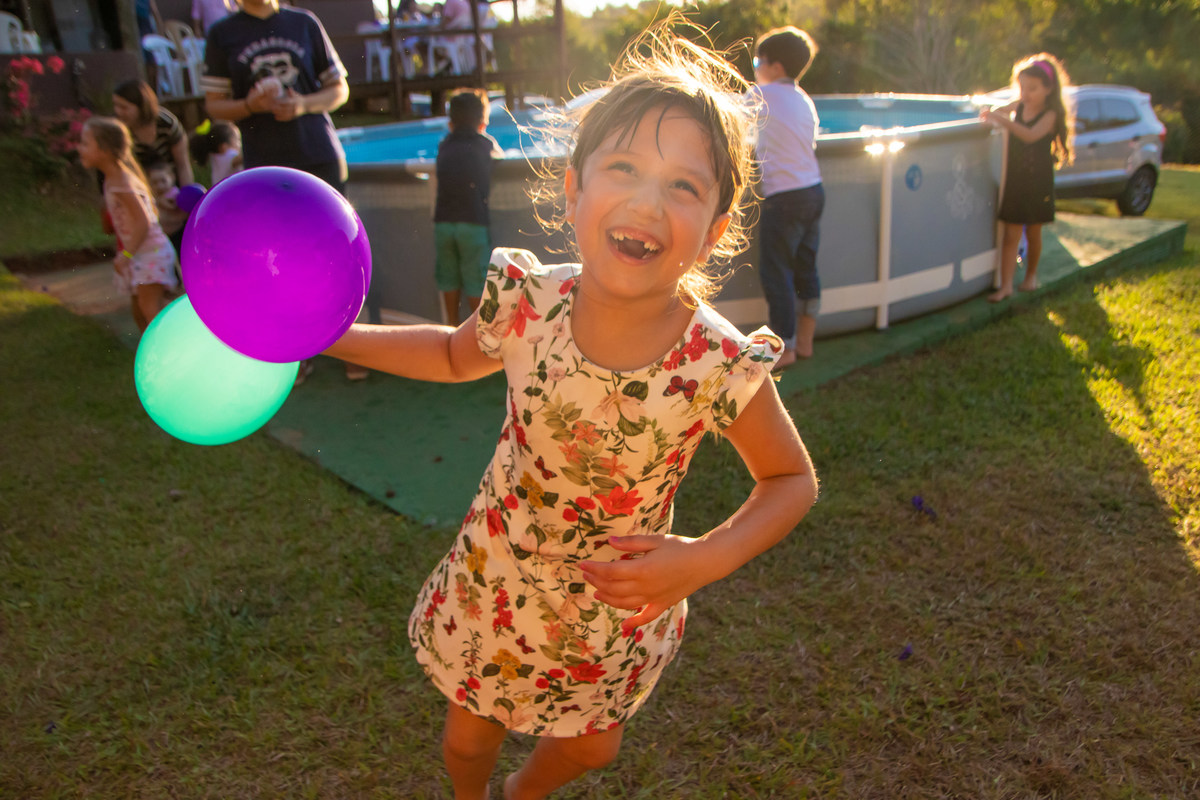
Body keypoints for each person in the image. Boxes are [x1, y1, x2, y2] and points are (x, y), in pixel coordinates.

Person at [324, 26, 817, 800]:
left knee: (592, 750)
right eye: (622, 168)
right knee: (466, 737)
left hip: (608, 607)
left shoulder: (715, 360)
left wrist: (702, 558)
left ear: (716, 230)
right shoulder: (531, 302)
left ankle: (521, 794)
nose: (647, 202)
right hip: (499, 576)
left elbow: (790, 479)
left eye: (684, 186)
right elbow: (453, 355)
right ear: (573, 192)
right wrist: (334, 335)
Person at [201, 0, 367, 382]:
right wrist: (249, 104)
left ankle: (355, 346)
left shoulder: (303, 23)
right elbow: (214, 107)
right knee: (280, 261)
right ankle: (296, 353)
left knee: (339, 252)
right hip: (266, 171)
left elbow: (338, 89)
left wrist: (302, 105)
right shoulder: (223, 34)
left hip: (319, 157)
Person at [745, 26, 825, 366]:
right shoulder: (803, 99)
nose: (755, 68)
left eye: (757, 61)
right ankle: (805, 343)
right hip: (813, 191)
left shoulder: (761, 96)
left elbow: (726, 120)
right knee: (806, 269)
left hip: (785, 197)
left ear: (774, 66)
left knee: (776, 273)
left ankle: (785, 349)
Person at [980, 53, 1074, 302]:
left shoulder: (1050, 114)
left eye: (1032, 88)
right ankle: (1006, 285)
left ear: (1048, 88)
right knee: (1011, 234)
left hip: (1037, 182)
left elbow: (1030, 135)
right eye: (1022, 87)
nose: (1025, 93)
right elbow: (999, 111)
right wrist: (995, 114)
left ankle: (1031, 275)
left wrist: (1003, 120)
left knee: (1033, 232)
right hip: (1016, 181)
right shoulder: (1019, 106)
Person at [77, 117, 180, 332]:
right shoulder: (113, 179)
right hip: (143, 253)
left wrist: (126, 255)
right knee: (140, 313)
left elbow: (144, 221)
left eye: (86, 143)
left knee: (149, 309)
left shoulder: (123, 183)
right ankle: (152, 354)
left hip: (151, 253)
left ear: (105, 150)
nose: (80, 148)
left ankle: (167, 354)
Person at [434, 89, 502, 326]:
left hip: (443, 222)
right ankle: (480, 333)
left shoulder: (444, 145)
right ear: (483, 123)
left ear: (451, 123)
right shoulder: (485, 144)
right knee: (476, 280)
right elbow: (501, 158)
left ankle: (451, 328)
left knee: (448, 278)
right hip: (472, 223)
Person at [112, 79, 196, 190]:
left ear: (141, 107)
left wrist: (187, 196)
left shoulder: (166, 124)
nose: (118, 111)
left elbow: (182, 165)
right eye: (116, 105)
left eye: (124, 107)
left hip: (171, 186)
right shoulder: (119, 131)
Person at [145, 160, 189, 258]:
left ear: (172, 178)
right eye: (154, 183)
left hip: (180, 235)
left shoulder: (176, 195)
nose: (160, 186)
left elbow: (183, 213)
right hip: (163, 239)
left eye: (163, 181)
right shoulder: (152, 198)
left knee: (183, 257)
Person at [189, 118, 244, 185]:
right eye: (237, 140)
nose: (240, 144)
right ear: (223, 146)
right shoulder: (226, 157)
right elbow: (242, 157)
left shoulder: (214, 157)